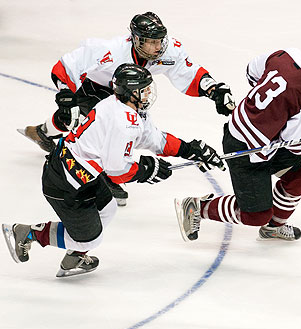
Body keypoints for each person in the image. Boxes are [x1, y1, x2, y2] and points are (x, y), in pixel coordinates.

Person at [2, 63, 225, 277]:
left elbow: (153, 138)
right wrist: (147, 170)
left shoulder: (120, 106)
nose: (148, 94)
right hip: (65, 183)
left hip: (77, 172)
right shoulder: (123, 122)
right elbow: (116, 171)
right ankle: (28, 233)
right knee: (90, 239)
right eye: (143, 90)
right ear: (130, 92)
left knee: (108, 208)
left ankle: (76, 256)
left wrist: (189, 149)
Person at [19, 11, 235, 206]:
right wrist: (66, 97)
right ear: (136, 39)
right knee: (98, 126)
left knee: (98, 123)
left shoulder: (169, 50)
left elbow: (189, 73)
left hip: (131, 89)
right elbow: (67, 66)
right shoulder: (111, 51)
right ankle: (105, 174)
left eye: (160, 41)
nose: (158, 47)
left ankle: (42, 132)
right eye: (151, 42)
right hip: (95, 87)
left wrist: (213, 89)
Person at [174, 35, 301, 242]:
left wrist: (270, 111)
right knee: (256, 215)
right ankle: (197, 207)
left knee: (298, 179)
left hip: (256, 138)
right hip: (245, 150)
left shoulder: (285, 55)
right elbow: (296, 143)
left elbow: (252, 71)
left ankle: (274, 228)